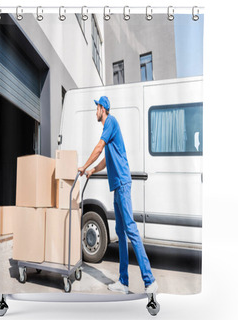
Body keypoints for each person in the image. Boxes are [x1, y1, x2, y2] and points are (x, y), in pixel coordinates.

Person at [78, 96, 158, 295]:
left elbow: (98, 148)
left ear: (102, 109)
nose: (95, 111)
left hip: (122, 184)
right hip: (117, 186)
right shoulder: (110, 130)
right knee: (121, 233)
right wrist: (92, 171)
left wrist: (84, 165)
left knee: (130, 229)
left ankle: (150, 280)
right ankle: (123, 282)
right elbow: (105, 160)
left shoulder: (110, 122)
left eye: (96, 107)